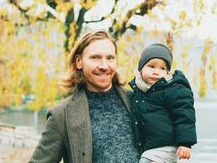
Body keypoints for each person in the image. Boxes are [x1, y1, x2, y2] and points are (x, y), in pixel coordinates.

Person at [29, 30, 140, 163]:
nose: (104, 66)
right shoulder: (61, 115)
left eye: (110, 58)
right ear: (79, 62)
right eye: (95, 57)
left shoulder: (136, 99)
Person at [129, 43, 197, 163]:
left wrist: (185, 143)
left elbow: (184, 115)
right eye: (151, 66)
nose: (156, 72)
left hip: (167, 146)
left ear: (167, 72)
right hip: (149, 147)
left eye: (162, 68)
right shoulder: (138, 92)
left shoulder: (173, 89)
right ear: (141, 69)